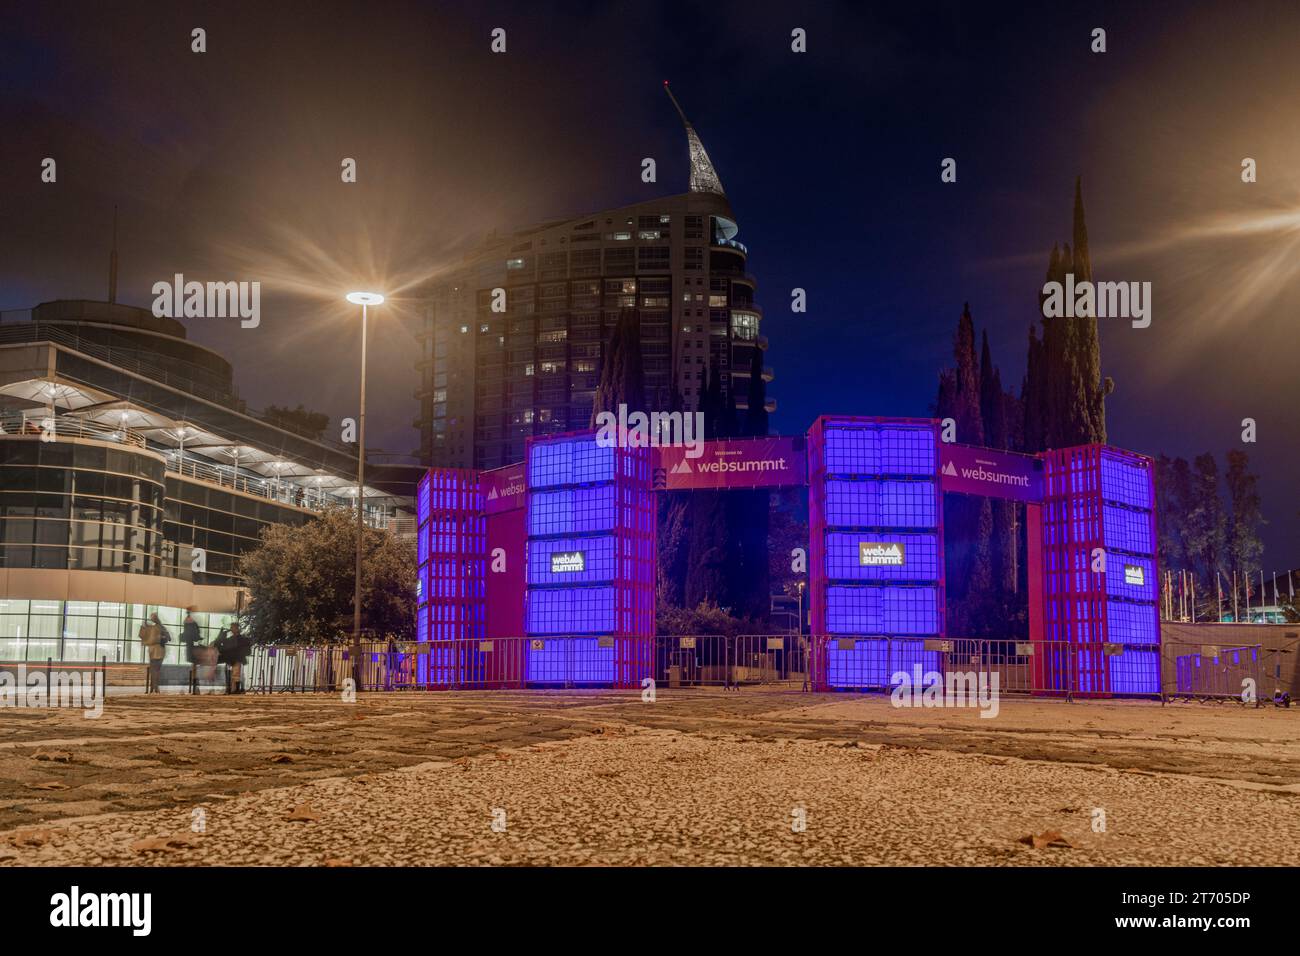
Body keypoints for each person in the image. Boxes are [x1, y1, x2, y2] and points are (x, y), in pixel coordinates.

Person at [138, 612, 166, 693]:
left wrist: (144, 626)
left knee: (154, 670)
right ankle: (155, 687)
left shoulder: (153, 628)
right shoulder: (158, 627)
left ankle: (153, 688)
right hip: (159, 651)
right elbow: (168, 637)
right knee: (156, 670)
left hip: (154, 651)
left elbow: (141, 635)